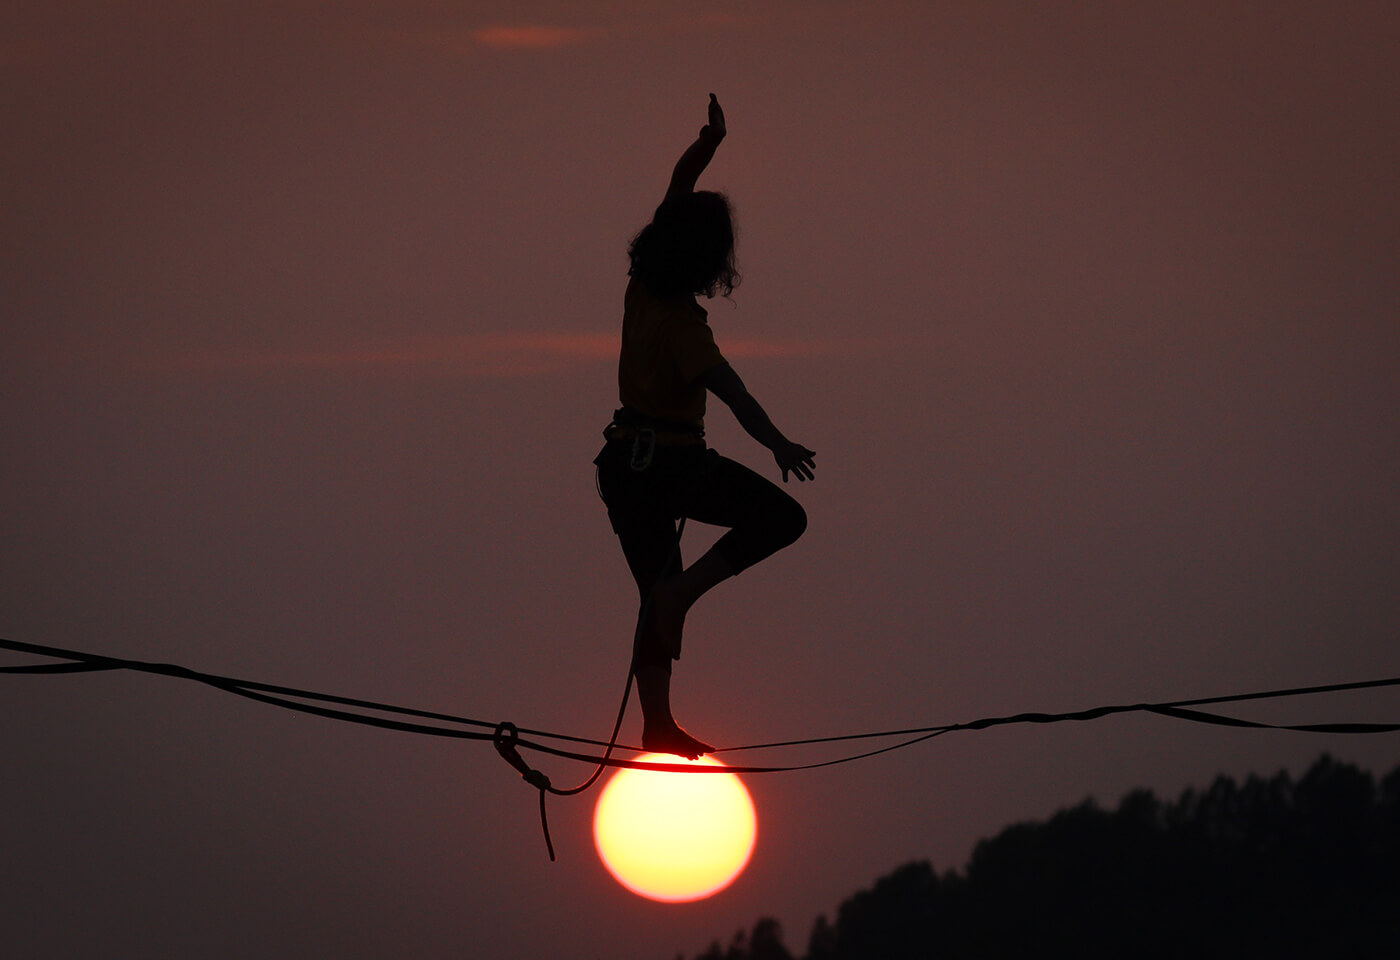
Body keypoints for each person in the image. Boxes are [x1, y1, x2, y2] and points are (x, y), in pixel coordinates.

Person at [594, 94, 816, 759]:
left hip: (623, 466)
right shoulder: (685, 329)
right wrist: (778, 443)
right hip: (672, 466)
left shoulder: (640, 288)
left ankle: (657, 722)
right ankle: (684, 596)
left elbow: (678, 184)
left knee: (651, 592)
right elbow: (735, 395)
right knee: (783, 519)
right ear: (706, 260)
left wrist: (709, 144)